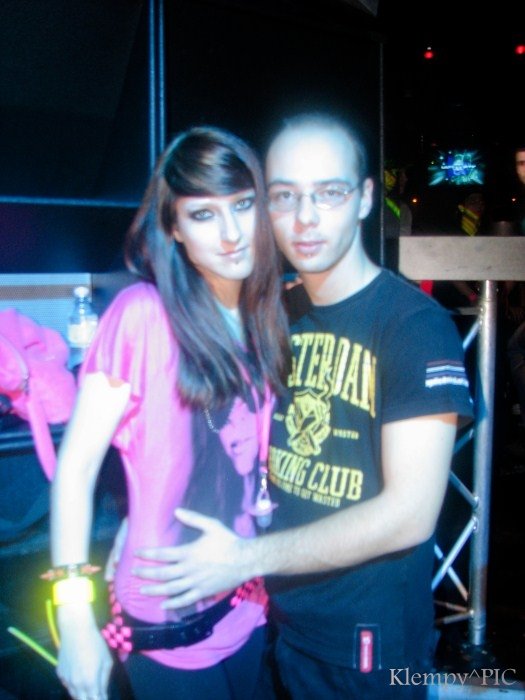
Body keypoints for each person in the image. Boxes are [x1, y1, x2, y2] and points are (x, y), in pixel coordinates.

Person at [132, 112, 474, 699]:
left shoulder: (413, 327)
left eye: (329, 193)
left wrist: (245, 558)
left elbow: (411, 513)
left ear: (365, 199)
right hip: (271, 624)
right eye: (285, 196)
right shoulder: (274, 315)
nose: (306, 218)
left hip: (365, 651)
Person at [48, 125, 291, 700]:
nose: (231, 233)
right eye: (204, 214)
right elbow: (76, 470)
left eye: (243, 205)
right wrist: (75, 618)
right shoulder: (142, 315)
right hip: (168, 624)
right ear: (174, 228)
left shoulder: (264, 317)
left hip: (248, 605)